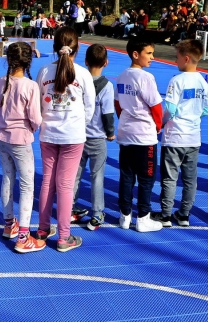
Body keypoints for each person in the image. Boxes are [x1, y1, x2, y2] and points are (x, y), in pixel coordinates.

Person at [35, 27, 94, 251]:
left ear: (54, 47)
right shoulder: (83, 74)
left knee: (48, 181)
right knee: (66, 185)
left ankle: (42, 229)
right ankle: (63, 237)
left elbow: (40, 101)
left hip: (49, 132)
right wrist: (79, 124)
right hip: (73, 134)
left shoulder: (44, 72)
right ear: (77, 48)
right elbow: (90, 106)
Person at [0, 42, 44, 252]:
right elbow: (35, 117)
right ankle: (23, 236)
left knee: (7, 178)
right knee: (27, 185)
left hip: (2, 137)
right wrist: (31, 128)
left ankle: (8, 223)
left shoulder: (1, 81)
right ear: (28, 61)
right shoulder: (30, 86)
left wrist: (6, 121)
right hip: (21, 140)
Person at [158, 39, 208, 227]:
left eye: (177, 57)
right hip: (193, 137)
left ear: (186, 58)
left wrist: (161, 124)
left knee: (169, 178)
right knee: (190, 179)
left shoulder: (177, 80)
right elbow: (206, 110)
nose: (175, 61)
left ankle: (165, 215)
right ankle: (184, 214)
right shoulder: (203, 82)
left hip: (174, 137)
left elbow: (170, 108)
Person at [114, 39, 164, 233]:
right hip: (144, 135)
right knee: (146, 178)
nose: (152, 57)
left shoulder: (121, 76)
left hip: (126, 133)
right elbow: (155, 106)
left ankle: (125, 215)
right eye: (149, 53)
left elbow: (118, 104)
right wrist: (158, 125)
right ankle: (143, 217)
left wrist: (124, 119)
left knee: (126, 176)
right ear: (136, 54)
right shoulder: (146, 77)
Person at [71, 44, 115, 230]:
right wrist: (110, 132)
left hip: (78, 134)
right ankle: (97, 214)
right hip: (97, 137)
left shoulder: (78, 80)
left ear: (86, 61)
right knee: (97, 177)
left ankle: (69, 208)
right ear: (106, 62)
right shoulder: (107, 86)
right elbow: (107, 113)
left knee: (75, 175)